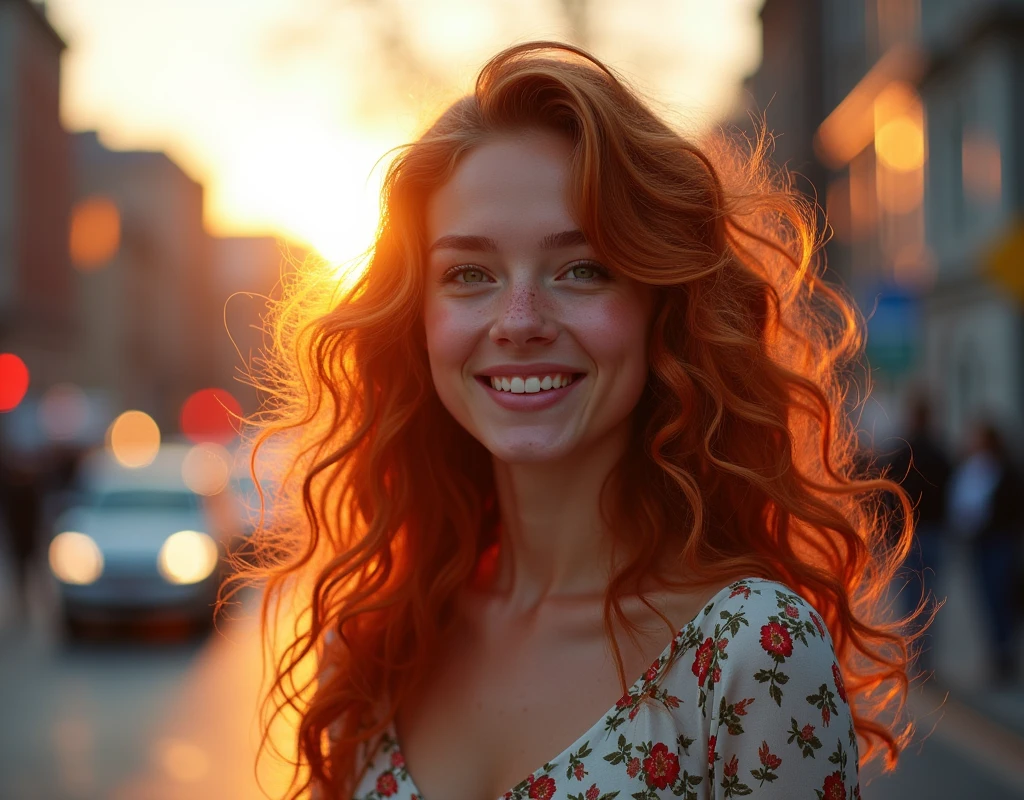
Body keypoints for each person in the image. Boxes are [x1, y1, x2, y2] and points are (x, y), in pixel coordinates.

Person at [239, 42, 919, 799]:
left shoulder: (752, 649)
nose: (519, 320)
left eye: (582, 268)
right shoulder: (374, 639)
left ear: (661, 310)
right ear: (418, 322)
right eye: (470, 274)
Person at [947, 421, 1023, 683]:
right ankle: (998, 653)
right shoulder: (974, 469)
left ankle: (1003, 654)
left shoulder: (1004, 470)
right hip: (981, 543)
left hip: (999, 542)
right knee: (988, 600)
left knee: (1000, 599)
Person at [882, 395, 950, 675]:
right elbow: (949, 490)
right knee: (929, 595)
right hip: (932, 531)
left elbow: (889, 493)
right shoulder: (939, 452)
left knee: (910, 595)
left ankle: (912, 651)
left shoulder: (902, 452)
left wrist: (891, 531)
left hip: (909, 533)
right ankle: (925, 655)